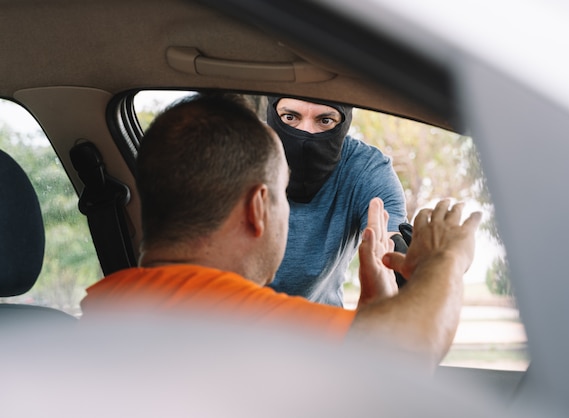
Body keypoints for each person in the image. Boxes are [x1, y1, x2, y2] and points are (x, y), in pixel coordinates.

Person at [79, 92, 481, 368]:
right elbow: (407, 358)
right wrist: (447, 260)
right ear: (258, 208)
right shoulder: (256, 329)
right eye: (281, 196)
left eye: (323, 120)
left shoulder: (102, 307)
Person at [265, 97, 407, 307]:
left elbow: (392, 246)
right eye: (290, 117)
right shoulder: (240, 156)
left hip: (322, 330)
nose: (307, 133)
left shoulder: (366, 170)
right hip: (230, 325)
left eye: (324, 121)